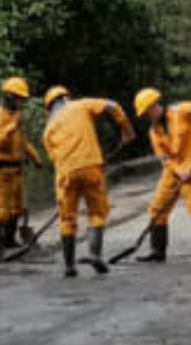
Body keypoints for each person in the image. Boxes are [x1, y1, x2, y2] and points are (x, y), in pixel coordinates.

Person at [41, 86, 135, 277]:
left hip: (66, 173)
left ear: (49, 107)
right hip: (91, 167)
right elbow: (112, 105)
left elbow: (54, 159)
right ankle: (94, 254)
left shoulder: (48, 129)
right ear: (66, 98)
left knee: (67, 219)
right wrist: (126, 131)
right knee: (96, 212)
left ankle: (69, 266)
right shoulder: (81, 105)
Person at [131, 87, 191, 265]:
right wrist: (177, 170)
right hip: (173, 172)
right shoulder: (154, 132)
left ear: (154, 106)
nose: (145, 117)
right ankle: (157, 251)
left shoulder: (180, 112)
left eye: (146, 112)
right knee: (157, 209)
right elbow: (164, 158)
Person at [0, 76, 44, 261]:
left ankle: (9, 241)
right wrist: (12, 127)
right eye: (19, 98)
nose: (21, 102)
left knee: (17, 209)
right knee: (2, 210)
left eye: (22, 99)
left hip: (16, 169)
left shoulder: (14, 117)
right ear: (9, 97)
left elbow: (22, 141)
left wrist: (35, 157)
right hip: (3, 170)